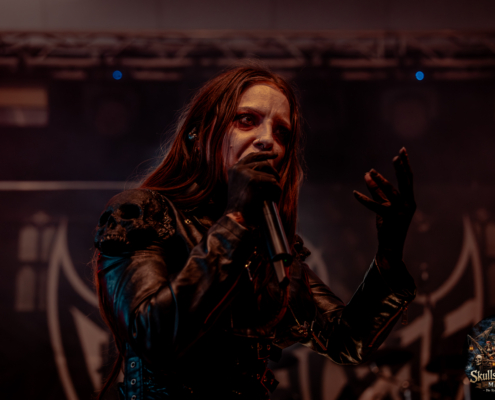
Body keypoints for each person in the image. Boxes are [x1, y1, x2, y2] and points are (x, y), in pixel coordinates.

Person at [93, 66, 417, 400]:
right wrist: (235, 219)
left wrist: (389, 254)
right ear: (199, 132)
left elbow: (345, 342)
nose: (267, 141)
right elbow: (153, 338)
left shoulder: (269, 247)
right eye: (247, 120)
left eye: (281, 133)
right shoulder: (144, 212)